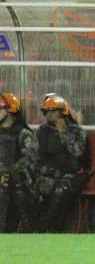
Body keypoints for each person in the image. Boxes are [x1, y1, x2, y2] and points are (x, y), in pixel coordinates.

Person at [15, 94, 88, 232]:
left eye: (52, 111)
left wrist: (63, 132)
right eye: (46, 111)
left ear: (62, 112)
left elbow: (77, 152)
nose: (48, 114)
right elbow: (32, 156)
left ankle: (48, 228)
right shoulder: (41, 131)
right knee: (21, 191)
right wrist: (27, 172)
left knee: (60, 192)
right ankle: (32, 229)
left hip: (67, 177)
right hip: (44, 177)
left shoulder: (76, 131)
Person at [0, 93, 30, 232]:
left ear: (10, 110)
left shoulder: (23, 133)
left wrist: (12, 169)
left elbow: (30, 159)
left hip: (15, 179)